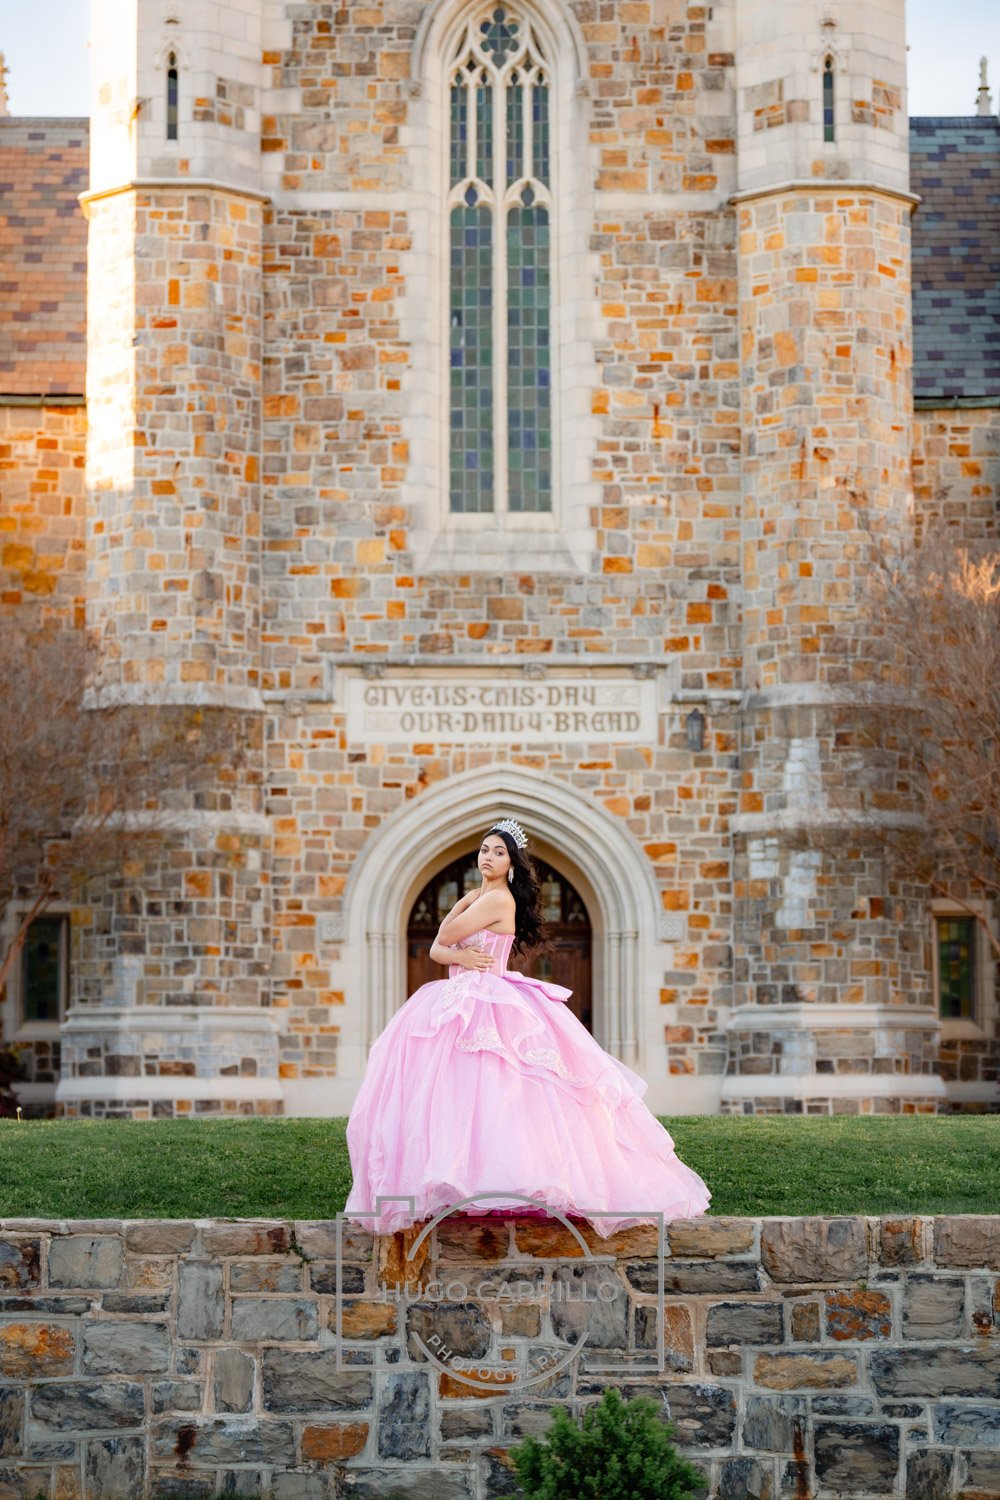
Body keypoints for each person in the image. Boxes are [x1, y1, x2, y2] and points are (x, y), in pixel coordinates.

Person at [344, 816, 711, 1238]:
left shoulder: (497, 900)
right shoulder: (481, 897)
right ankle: (463, 1180)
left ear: (511, 863)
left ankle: (499, 1182)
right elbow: (435, 951)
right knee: (460, 1093)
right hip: (461, 996)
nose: (488, 857)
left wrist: (458, 926)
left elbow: (444, 936)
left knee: (495, 1088)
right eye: (484, 850)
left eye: (498, 852)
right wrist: (459, 953)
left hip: (486, 998)